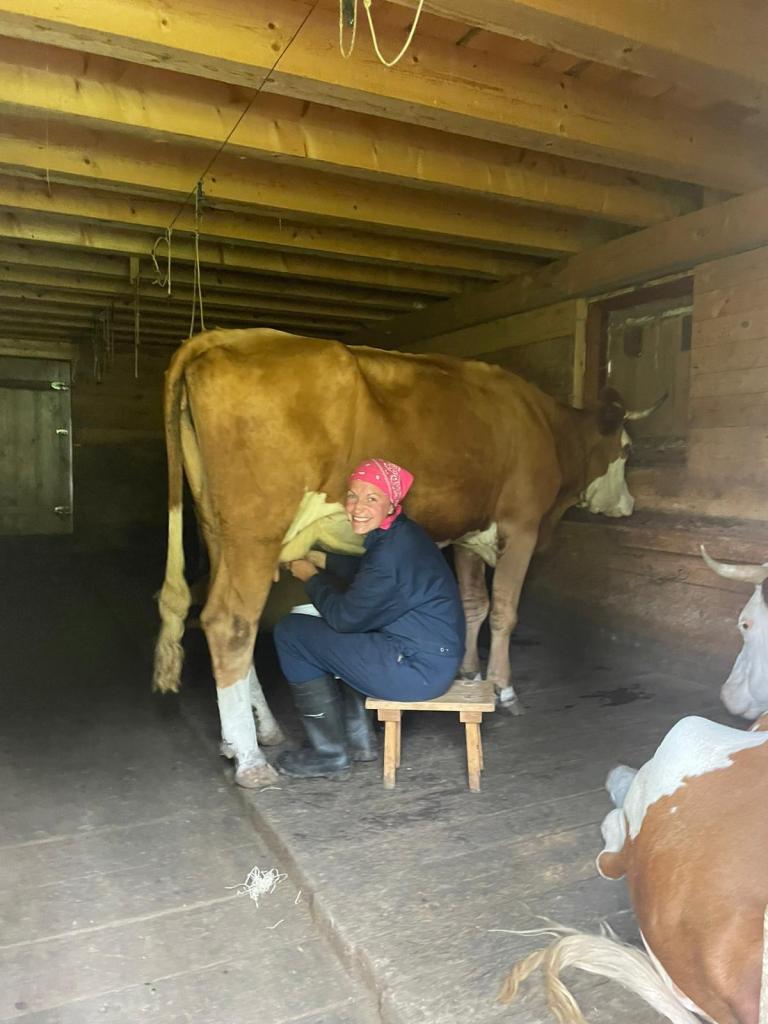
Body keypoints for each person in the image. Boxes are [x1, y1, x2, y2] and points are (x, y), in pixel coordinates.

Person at [272, 458, 465, 779]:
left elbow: (345, 618)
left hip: (416, 671)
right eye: (352, 495)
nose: (357, 507)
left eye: (371, 498)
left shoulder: (390, 553)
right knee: (340, 628)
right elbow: (372, 575)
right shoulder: (403, 534)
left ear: (392, 504)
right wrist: (325, 560)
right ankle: (360, 739)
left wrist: (310, 576)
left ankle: (329, 754)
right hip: (431, 657)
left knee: (292, 632)